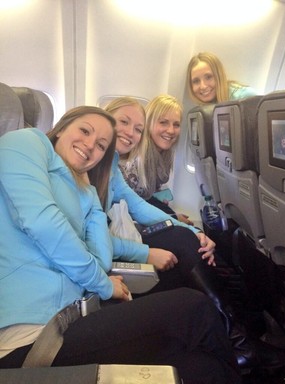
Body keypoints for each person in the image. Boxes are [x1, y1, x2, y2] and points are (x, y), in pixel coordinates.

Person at [0, 106, 242, 384]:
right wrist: (104, 284)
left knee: (202, 367)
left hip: (74, 313)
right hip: (32, 338)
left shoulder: (82, 188)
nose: (90, 145)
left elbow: (102, 259)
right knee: (194, 308)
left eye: (102, 145)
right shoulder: (25, 142)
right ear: (62, 126)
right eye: (84, 130)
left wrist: (89, 194)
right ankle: (242, 342)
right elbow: (43, 224)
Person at [88, 99, 285, 372]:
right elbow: (90, 236)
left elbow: (138, 205)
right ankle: (240, 339)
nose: (130, 133)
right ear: (104, 118)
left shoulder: (109, 163)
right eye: (123, 122)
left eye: (137, 128)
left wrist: (192, 229)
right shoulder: (87, 165)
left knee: (187, 239)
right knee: (183, 244)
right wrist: (146, 252)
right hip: (100, 260)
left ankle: (239, 332)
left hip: (112, 243)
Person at [106, 95, 193, 224]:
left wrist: (172, 215)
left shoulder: (165, 155)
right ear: (148, 123)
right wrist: (173, 218)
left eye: (176, 125)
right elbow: (133, 202)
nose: (171, 130)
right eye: (163, 122)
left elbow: (145, 198)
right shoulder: (139, 155)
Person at [187, 52, 257, 105]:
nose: (203, 86)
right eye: (196, 81)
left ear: (219, 76)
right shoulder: (203, 110)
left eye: (208, 77)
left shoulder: (245, 97)